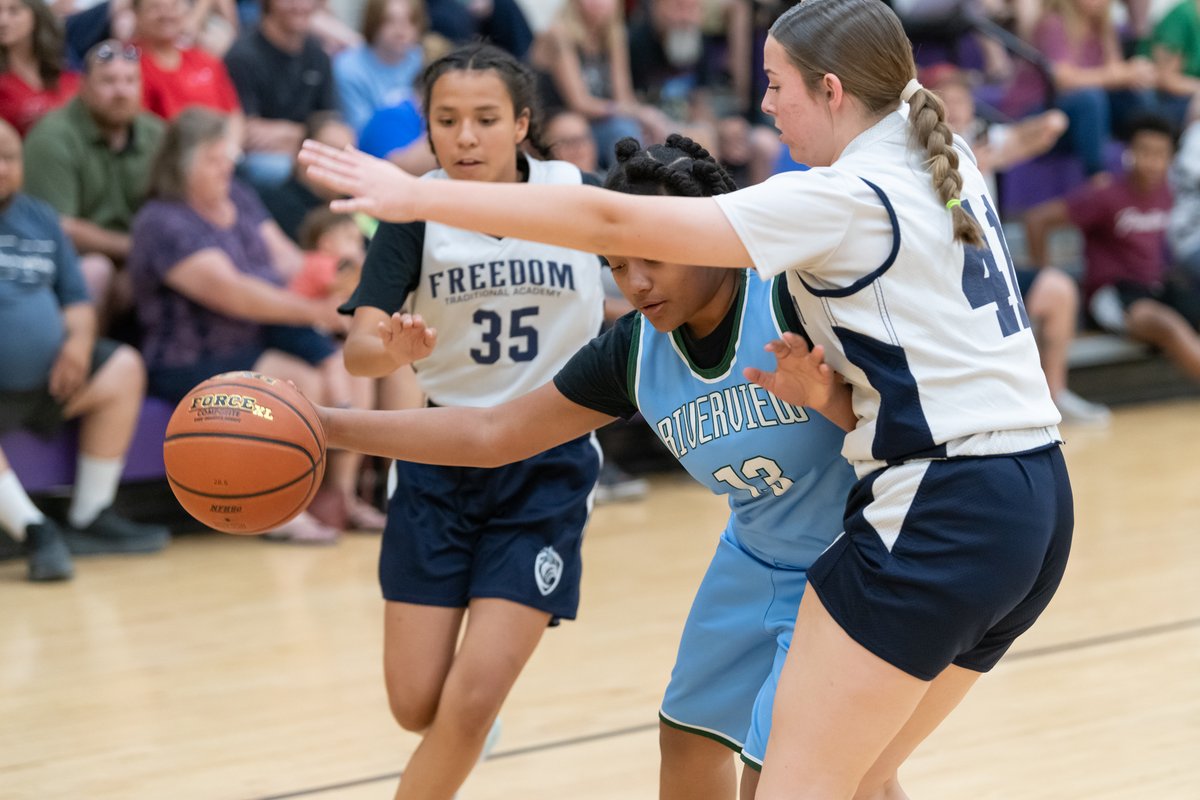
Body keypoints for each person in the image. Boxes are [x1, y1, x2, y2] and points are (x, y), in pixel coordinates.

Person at [299, 1, 1075, 795]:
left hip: (941, 503)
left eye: (776, 85)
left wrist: (418, 197)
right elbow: (498, 428)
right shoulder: (929, 154)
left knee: (805, 783)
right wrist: (319, 425)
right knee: (846, 773)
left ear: (834, 90)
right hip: (1034, 495)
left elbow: (605, 214)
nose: (765, 104)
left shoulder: (836, 201)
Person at [318, 132, 857, 799]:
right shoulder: (633, 351)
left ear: (713, 233)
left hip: (849, 558)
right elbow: (493, 432)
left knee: (785, 771)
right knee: (688, 747)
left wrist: (831, 402)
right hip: (752, 554)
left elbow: (911, 429)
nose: (635, 283)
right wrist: (326, 426)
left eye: (654, 257)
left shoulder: (793, 300)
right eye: (617, 265)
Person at [334, 43, 606, 800]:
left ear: (522, 123)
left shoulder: (572, 195)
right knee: (416, 705)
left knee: (472, 698)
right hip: (437, 458)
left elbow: (647, 274)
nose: (465, 137)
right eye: (447, 120)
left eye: (485, 119)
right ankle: (464, 732)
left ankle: (465, 728)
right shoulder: (414, 210)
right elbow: (359, 351)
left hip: (546, 466)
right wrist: (383, 349)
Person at [126, 107, 380, 542]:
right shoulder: (161, 221)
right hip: (191, 356)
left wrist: (339, 288)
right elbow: (234, 293)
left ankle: (342, 496)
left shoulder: (239, 196)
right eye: (213, 157)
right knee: (300, 384)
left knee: (350, 366)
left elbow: (287, 259)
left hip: (256, 338)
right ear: (180, 164)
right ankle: (282, 508)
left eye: (227, 154)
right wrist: (316, 312)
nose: (227, 164)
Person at [0, 118, 169, 583]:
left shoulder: (39, 218)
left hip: (50, 380)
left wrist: (76, 343)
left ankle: (89, 516)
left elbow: (75, 298)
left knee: (122, 365)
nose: (2, 167)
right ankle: (34, 531)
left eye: (10, 157)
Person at [927, 63, 1110, 426]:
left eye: (964, 97)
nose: (961, 105)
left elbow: (1044, 132)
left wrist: (1049, 121)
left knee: (1059, 291)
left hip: (986, 263)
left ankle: (1055, 396)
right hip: (942, 270)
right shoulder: (914, 152)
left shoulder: (982, 139)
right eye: (951, 98)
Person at [1026, 114, 1200, 382]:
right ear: (1129, 153)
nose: (1151, 161)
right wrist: (1046, 276)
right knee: (1166, 324)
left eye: (1160, 153)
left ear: (1171, 158)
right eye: (1144, 151)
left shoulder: (1168, 192)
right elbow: (1037, 220)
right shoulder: (1105, 195)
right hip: (1112, 295)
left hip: (1155, 288)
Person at [22, 38, 164, 328]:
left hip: (139, 256)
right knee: (97, 271)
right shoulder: (52, 138)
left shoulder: (156, 133)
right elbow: (61, 229)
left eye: (130, 80)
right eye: (108, 81)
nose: (121, 91)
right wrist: (135, 250)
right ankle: (85, 357)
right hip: (69, 264)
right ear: (83, 86)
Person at [223, 0, 337, 190]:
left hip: (302, 150)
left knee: (341, 147)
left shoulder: (318, 55)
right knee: (279, 167)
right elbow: (247, 134)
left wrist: (297, 135)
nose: (299, 6)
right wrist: (308, 135)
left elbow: (328, 122)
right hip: (258, 161)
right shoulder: (242, 56)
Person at [0, 0, 80, 136]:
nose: (3, 22)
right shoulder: (4, 81)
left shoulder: (69, 73)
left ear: (36, 15)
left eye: (14, 11)